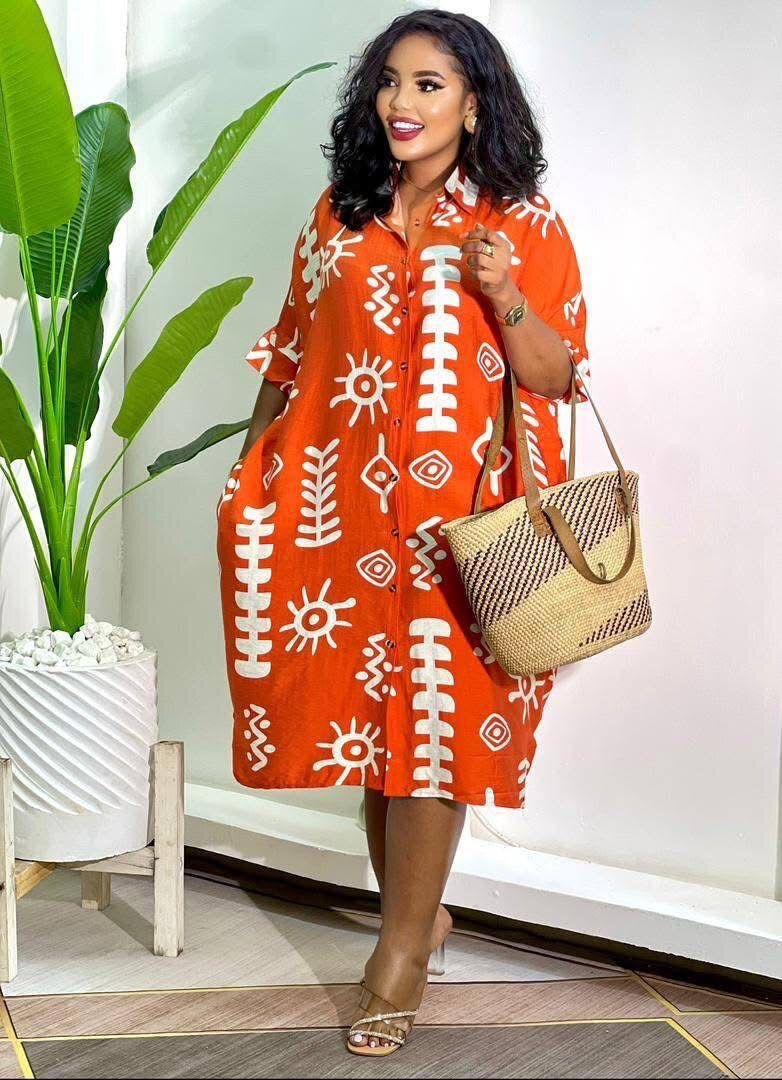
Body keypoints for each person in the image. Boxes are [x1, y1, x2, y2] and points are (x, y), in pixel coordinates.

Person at [215, 6, 591, 1059]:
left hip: (465, 525)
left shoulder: (523, 220)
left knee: (435, 728)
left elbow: (560, 375)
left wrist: (503, 293)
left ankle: (398, 960)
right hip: (337, 510)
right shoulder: (337, 214)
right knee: (374, 731)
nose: (400, 101)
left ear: (473, 104)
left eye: (428, 84)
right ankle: (418, 922)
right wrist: (246, 477)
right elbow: (289, 353)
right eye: (389, 80)